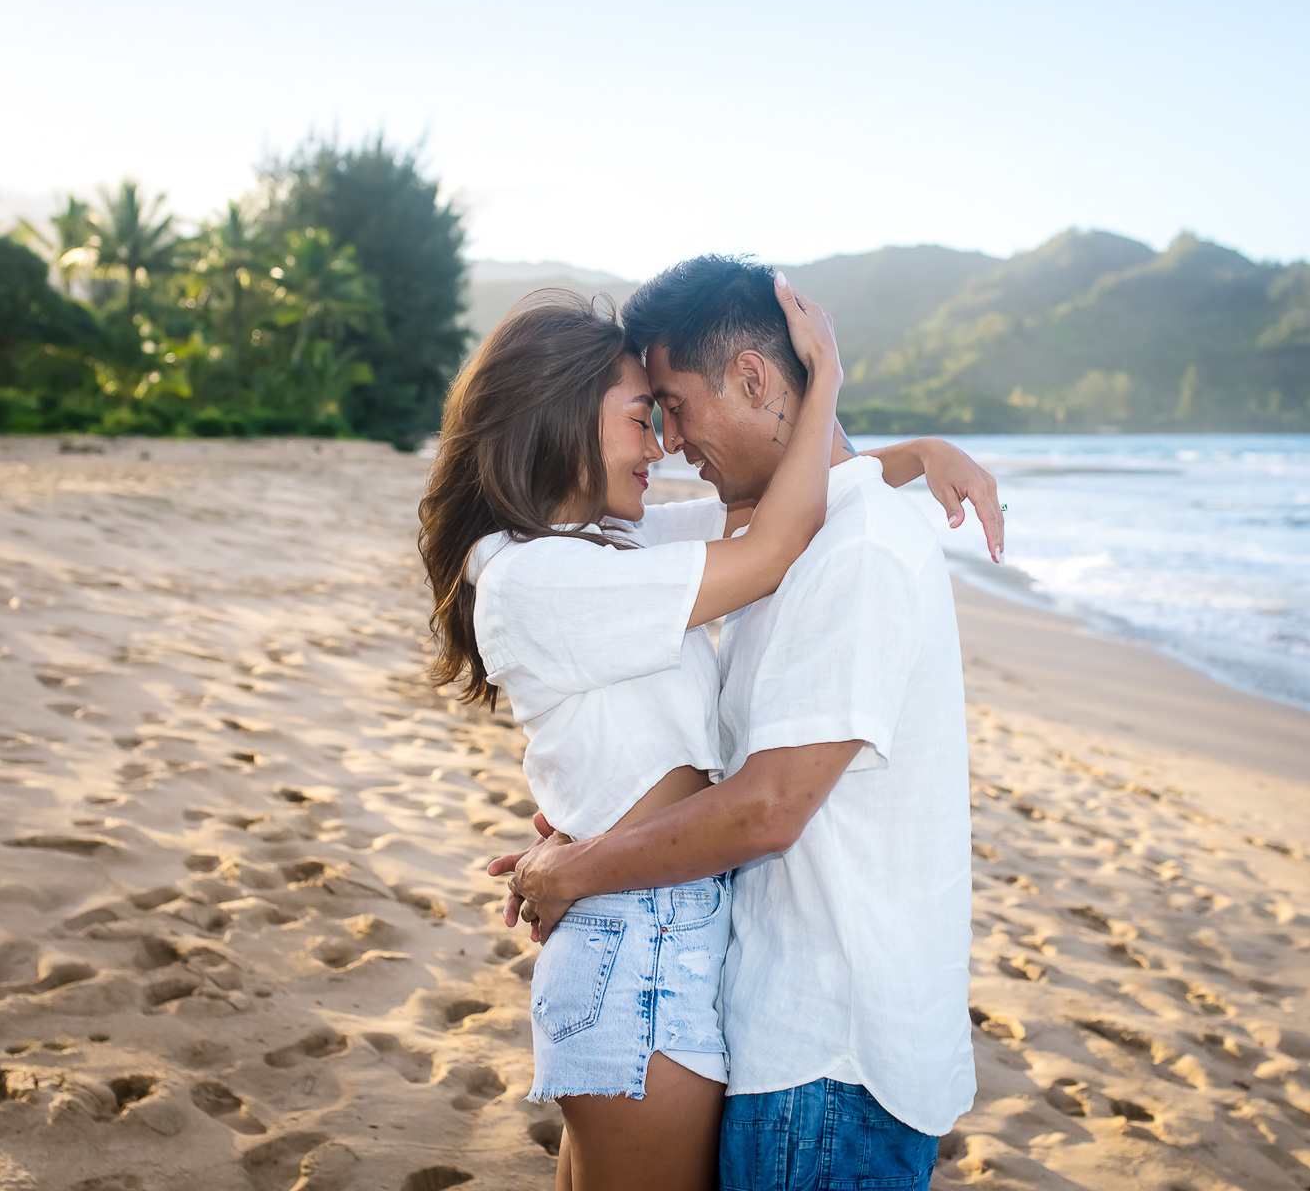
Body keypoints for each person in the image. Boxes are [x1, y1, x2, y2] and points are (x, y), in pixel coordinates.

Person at [420, 274, 998, 1191]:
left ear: (758, 380)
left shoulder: (610, 547)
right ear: (562, 420)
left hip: (693, 955)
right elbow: (773, 538)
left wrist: (913, 452)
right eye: (645, 417)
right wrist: (832, 387)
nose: (667, 445)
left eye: (672, 411)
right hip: (646, 946)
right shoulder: (547, 573)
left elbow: (773, 515)